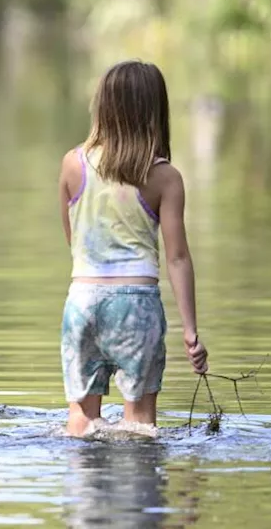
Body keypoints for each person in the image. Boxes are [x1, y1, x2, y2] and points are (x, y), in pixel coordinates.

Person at [58, 60, 210, 436]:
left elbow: (73, 241)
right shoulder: (164, 177)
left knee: (81, 421)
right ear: (155, 111)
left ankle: (84, 490)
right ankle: (139, 492)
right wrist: (190, 331)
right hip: (136, 304)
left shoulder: (72, 164)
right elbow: (177, 257)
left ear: (102, 107)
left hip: (83, 300)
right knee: (139, 425)